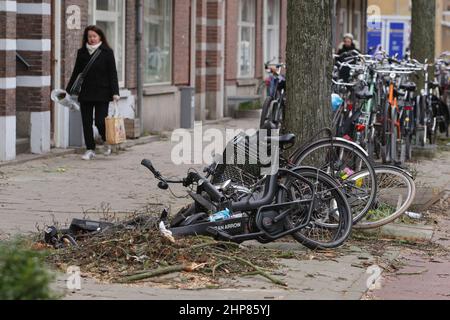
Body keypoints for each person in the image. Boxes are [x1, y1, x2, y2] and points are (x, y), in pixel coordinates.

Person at [66, 25, 120, 161]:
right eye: (89, 36)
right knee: (86, 122)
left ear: (100, 37)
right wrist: (67, 91)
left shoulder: (107, 52)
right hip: (85, 93)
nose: (92, 39)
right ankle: (90, 149)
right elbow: (76, 73)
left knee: (101, 122)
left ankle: (106, 140)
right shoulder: (82, 52)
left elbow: (112, 73)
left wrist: (115, 92)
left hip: (103, 93)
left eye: (94, 36)